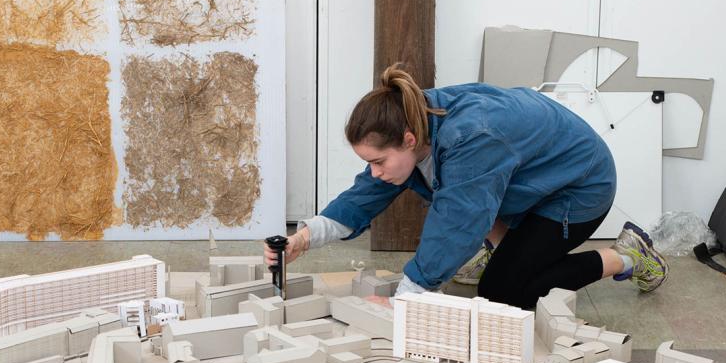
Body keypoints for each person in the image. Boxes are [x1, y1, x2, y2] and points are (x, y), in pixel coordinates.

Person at [265, 64, 668, 310]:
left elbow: (458, 219)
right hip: (528, 178)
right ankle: (505, 250)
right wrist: (304, 237)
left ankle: (628, 256)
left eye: (377, 161)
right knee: (469, 211)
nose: (374, 172)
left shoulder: (470, 139)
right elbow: (366, 194)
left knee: (504, 293)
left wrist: (405, 301)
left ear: (407, 140)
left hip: (578, 186)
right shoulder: (414, 118)